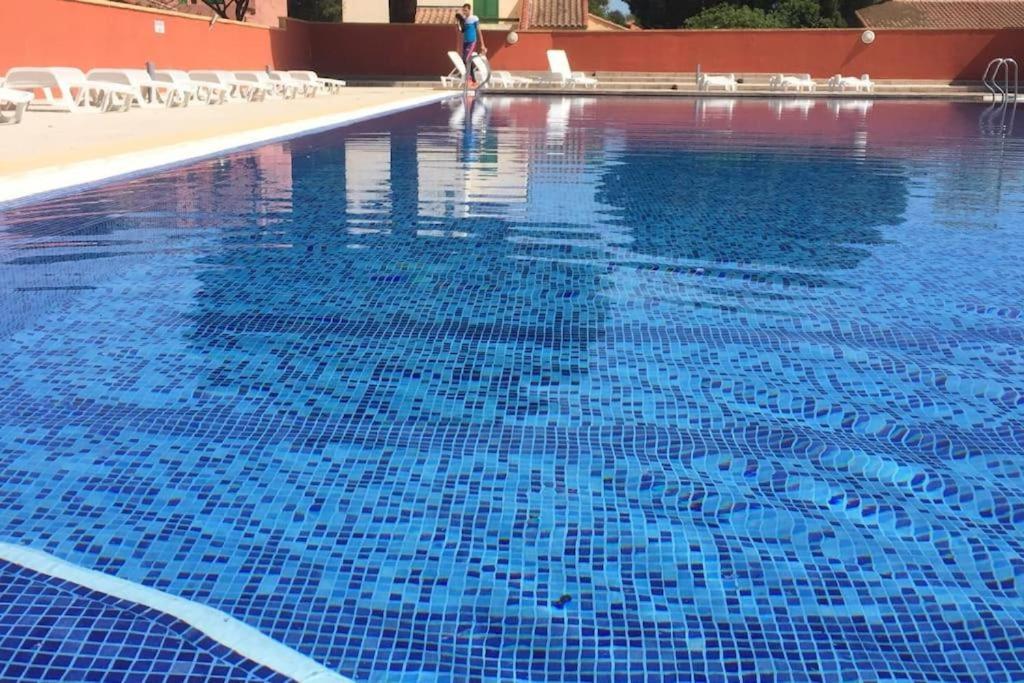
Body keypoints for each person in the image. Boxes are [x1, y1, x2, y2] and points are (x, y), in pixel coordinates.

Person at [454, 3, 486, 87]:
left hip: (472, 42)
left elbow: (479, 31)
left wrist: (482, 45)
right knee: (466, 60)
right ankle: (474, 81)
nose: (464, 12)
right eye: (463, 10)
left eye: (466, 10)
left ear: (469, 10)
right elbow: (461, 32)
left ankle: (469, 80)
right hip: (465, 42)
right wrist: (458, 25)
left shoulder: (474, 18)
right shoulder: (463, 20)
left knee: (466, 59)